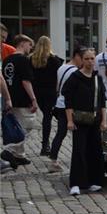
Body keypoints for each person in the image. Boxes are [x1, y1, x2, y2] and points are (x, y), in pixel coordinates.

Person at [62, 48, 107, 196]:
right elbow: (68, 101)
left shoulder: (97, 78)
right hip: (80, 120)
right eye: (86, 59)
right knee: (79, 151)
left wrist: (104, 120)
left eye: (92, 58)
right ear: (82, 60)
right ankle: (76, 183)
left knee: (95, 150)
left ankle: (94, 181)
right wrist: (69, 120)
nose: (89, 61)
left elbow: (102, 101)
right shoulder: (75, 77)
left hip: (95, 120)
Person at [1, 35, 37, 167]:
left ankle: (19, 155)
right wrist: (33, 99)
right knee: (26, 126)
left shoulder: (7, 60)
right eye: (29, 45)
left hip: (10, 97)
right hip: (22, 99)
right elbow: (26, 81)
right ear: (22, 44)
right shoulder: (23, 60)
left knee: (17, 125)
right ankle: (9, 150)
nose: (30, 48)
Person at [48, 45, 85, 173]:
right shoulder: (75, 71)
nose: (84, 61)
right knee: (76, 134)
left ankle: (53, 160)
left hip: (59, 104)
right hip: (69, 106)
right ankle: (79, 161)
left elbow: (58, 86)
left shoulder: (62, 67)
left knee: (60, 133)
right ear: (76, 56)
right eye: (83, 58)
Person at [30, 35, 64, 156]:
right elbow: (59, 77)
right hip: (50, 92)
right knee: (47, 117)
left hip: (37, 91)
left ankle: (45, 144)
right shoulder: (55, 60)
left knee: (46, 115)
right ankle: (45, 145)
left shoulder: (31, 60)